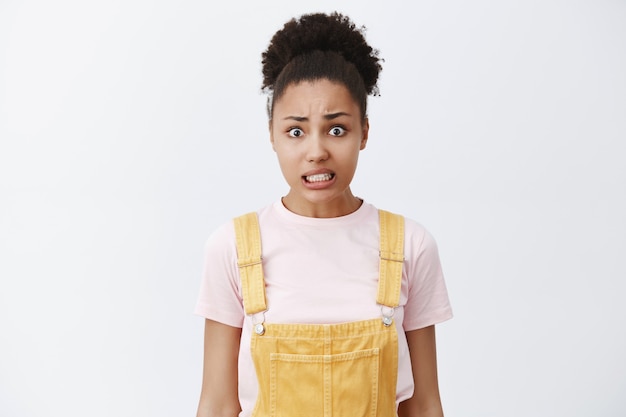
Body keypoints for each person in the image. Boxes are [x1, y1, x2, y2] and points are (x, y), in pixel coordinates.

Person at [195, 12, 452, 417]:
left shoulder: (410, 246)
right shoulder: (231, 247)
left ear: (364, 132)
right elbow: (217, 404)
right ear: (272, 135)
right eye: (296, 131)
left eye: (336, 129)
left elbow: (423, 405)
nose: (316, 151)